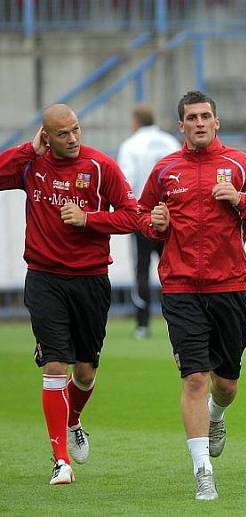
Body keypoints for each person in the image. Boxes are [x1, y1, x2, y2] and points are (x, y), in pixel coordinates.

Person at [137, 91, 246, 500]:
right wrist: (154, 222)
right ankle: (203, 470)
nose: (199, 123)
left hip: (228, 285)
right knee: (195, 377)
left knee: (226, 384)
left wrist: (240, 199)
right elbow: (144, 216)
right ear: (180, 126)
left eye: (205, 116)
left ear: (217, 122)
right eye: (191, 118)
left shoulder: (238, 164)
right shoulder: (165, 170)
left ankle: (218, 415)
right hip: (180, 288)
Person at [0, 104, 139, 484]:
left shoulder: (100, 167)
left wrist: (89, 219)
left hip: (91, 279)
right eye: (62, 133)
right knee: (55, 366)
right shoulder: (31, 164)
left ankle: (74, 418)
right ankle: (60, 460)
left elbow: (133, 215)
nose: (73, 138)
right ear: (46, 136)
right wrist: (28, 151)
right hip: (44, 278)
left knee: (86, 371)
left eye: (76, 129)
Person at [117, 104, 181, 339]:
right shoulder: (170, 142)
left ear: (136, 121)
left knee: (142, 271)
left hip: (144, 217)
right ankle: (177, 321)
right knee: (175, 271)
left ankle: (143, 325)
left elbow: (128, 182)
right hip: (171, 216)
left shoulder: (130, 145)